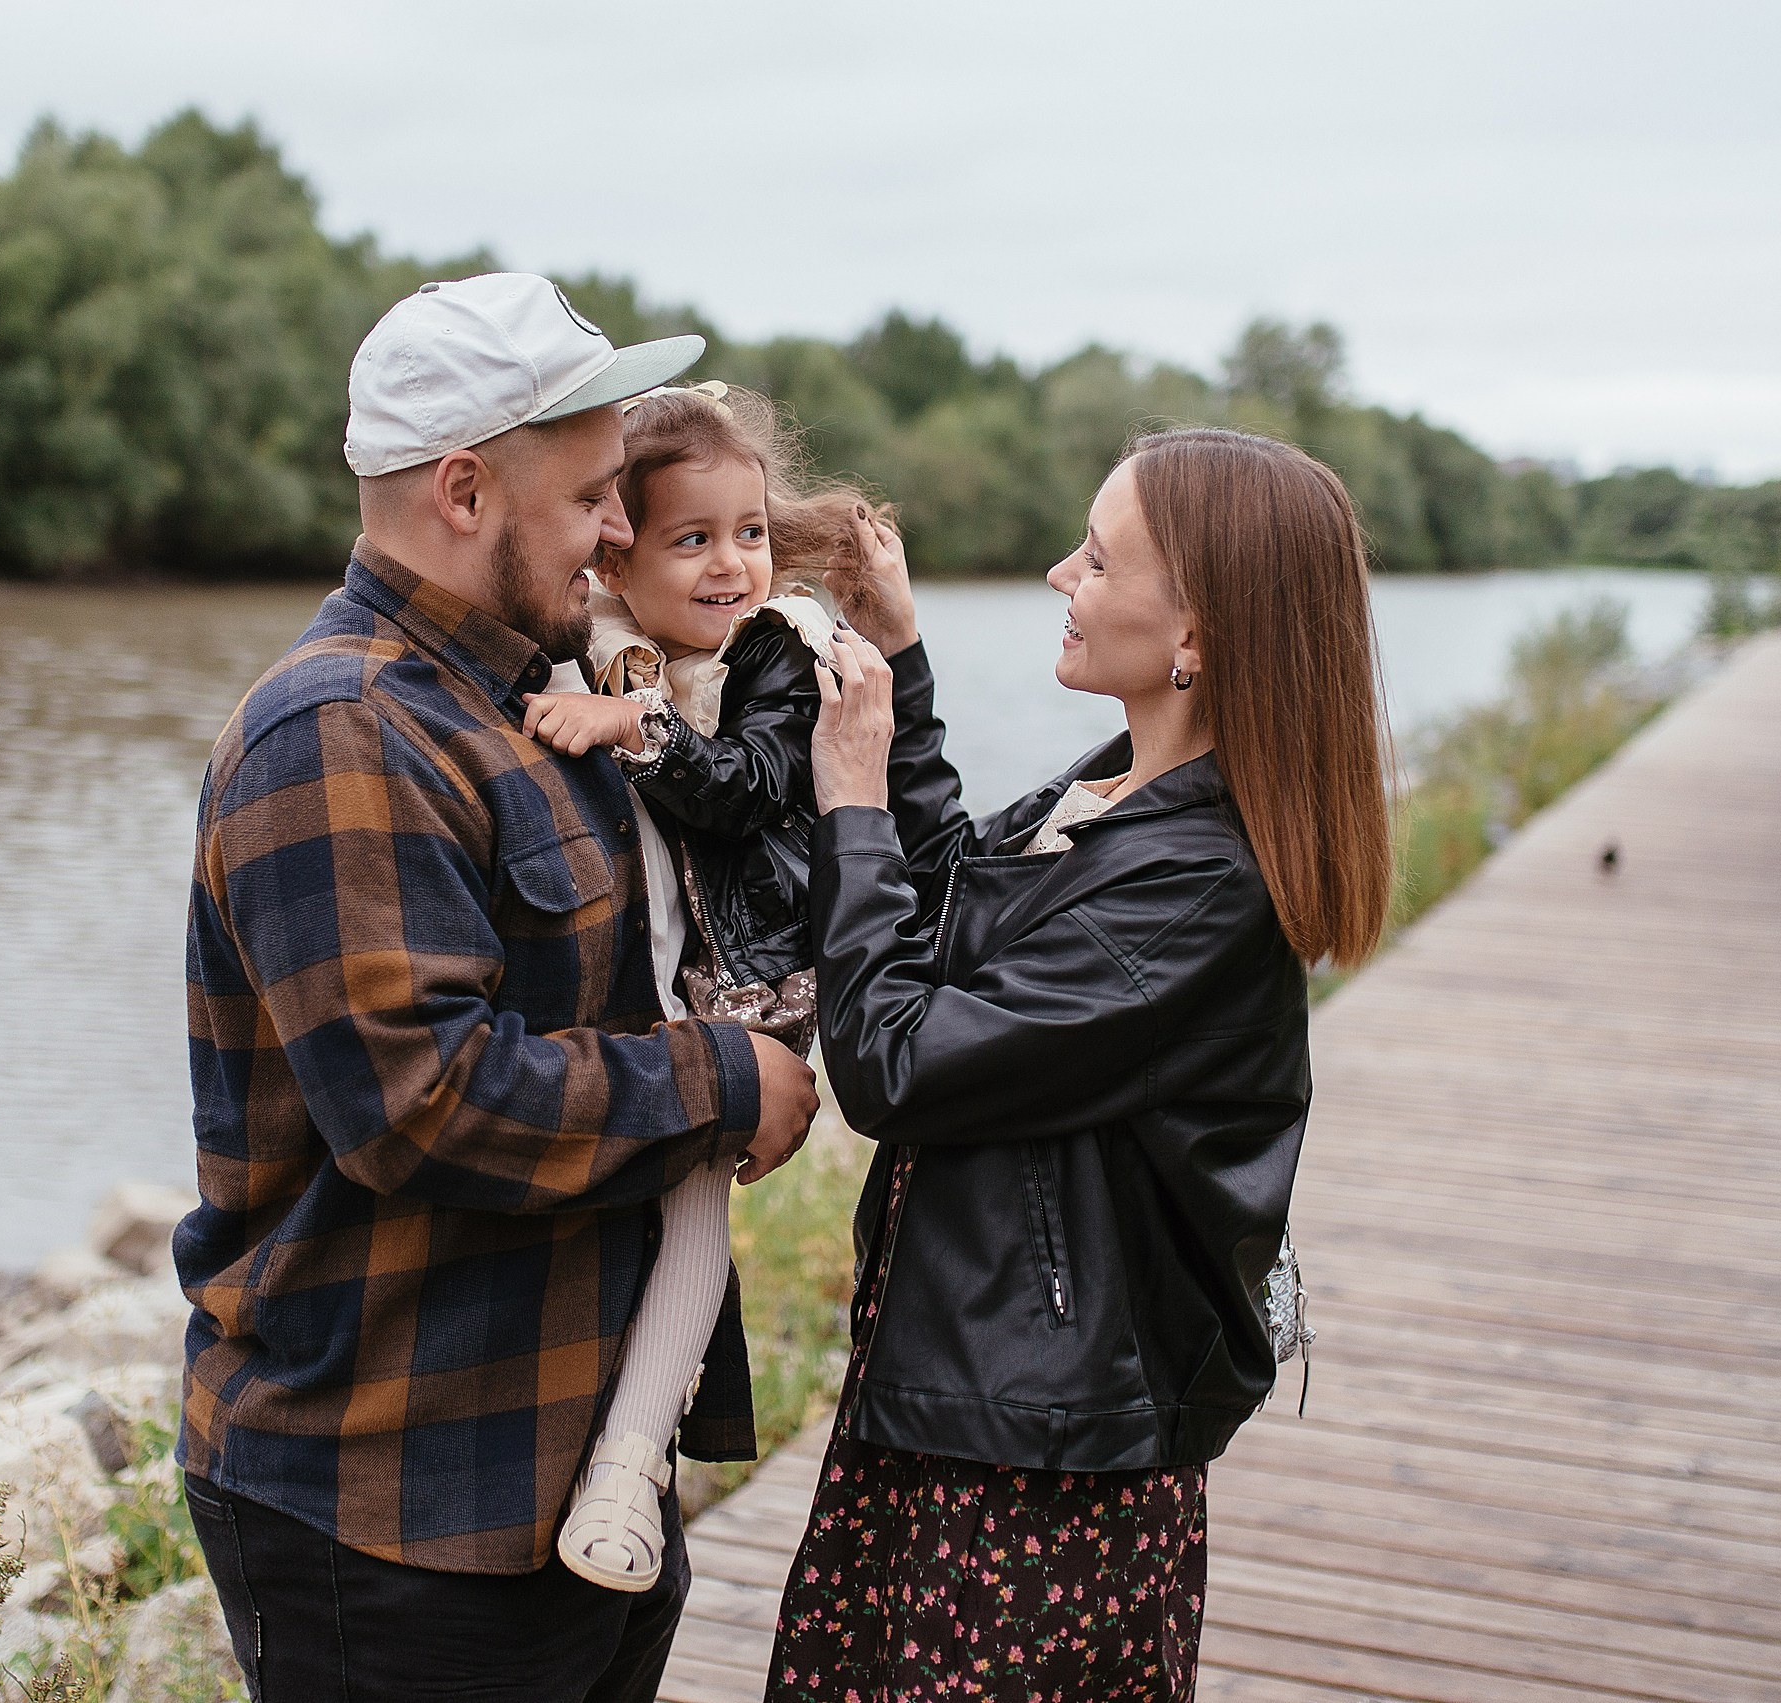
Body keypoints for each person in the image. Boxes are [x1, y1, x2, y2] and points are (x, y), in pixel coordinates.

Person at [178, 271, 822, 1703]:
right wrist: (723, 1079)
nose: (616, 530)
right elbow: (419, 1098)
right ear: (464, 491)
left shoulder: (534, 694)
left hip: (563, 1472)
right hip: (390, 1503)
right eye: (594, 493)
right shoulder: (343, 726)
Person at [771, 428, 1394, 1702]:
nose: (1061, 572)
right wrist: (898, 657)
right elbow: (948, 912)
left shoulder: (1198, 883)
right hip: (978, 1393)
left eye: (1097, 558)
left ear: (1198, 636)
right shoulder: (1121, 792)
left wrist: (846, 803)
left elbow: (895, 1060)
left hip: (1039, 1468)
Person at [513, 381, 874, 1592]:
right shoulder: (599, 636)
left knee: (688, 1200)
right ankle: (591, 1436)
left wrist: (629, 728)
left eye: (752, 532)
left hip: (744, 979)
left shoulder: (777, 650)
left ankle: (630, 1458)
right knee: (634, 1180)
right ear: (624, 545)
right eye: (694, 538)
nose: (732, 565)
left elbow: (748, 785)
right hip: (648, 975)